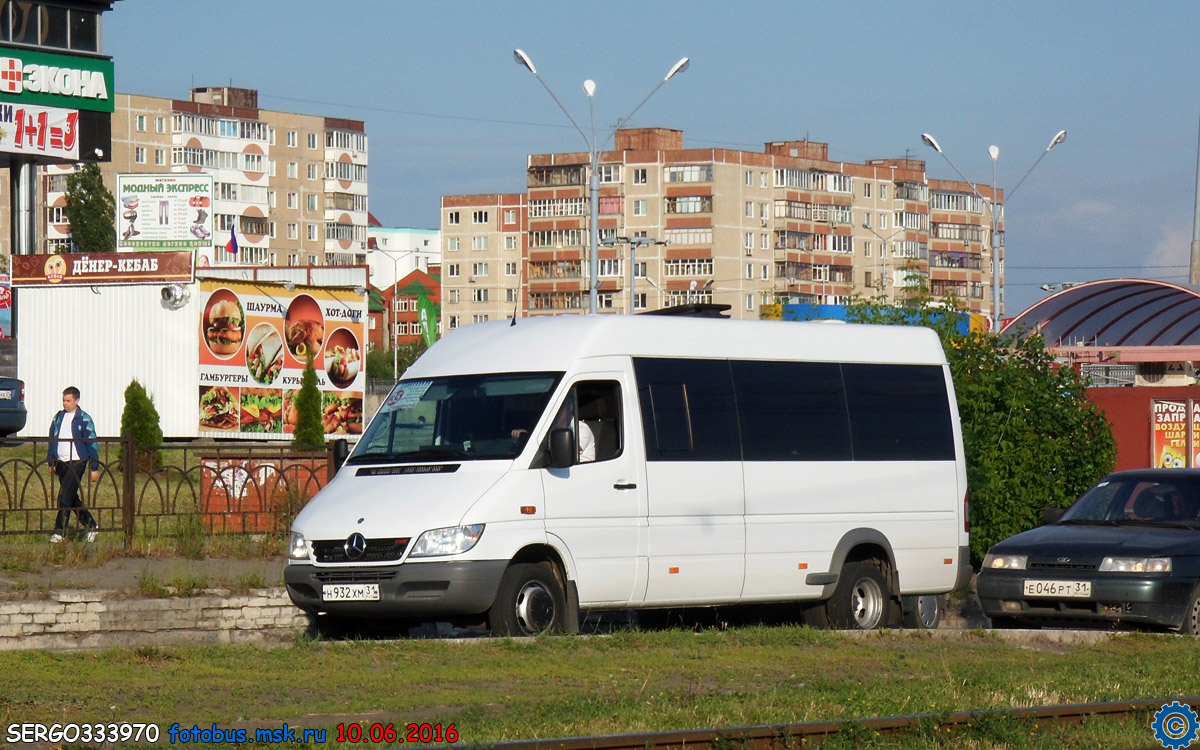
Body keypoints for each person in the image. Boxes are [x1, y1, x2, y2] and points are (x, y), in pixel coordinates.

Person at [46, 386, 100, 543]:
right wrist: (52, 461)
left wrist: (94, 467)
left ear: (77, 400)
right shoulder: (58, 418)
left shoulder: (84, 419)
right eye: (63, 400)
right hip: (61, 462)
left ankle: (59, 532)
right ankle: (91, 525)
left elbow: (92, 444)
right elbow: (52, 440)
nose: (65, 403)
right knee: (71, 497)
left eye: (68, 400)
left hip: (77, 461)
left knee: (64, 496)